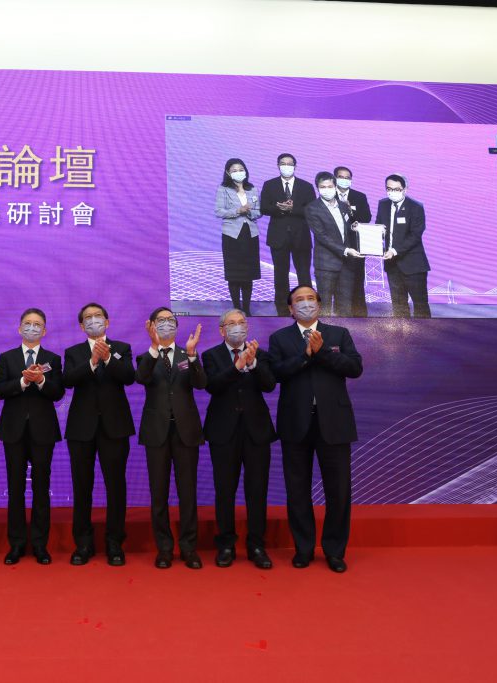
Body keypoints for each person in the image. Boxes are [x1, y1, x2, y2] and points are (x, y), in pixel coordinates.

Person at [267, 286, 362, 573]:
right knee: (297, 490)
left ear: (319, 305)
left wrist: (322, 353)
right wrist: (307, 355)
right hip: (295, 424)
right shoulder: (280, 338)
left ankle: (334, 550)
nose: (306, 304)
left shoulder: (338, 334)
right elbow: (276, 374)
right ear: (290, 309)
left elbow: (354, 367)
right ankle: (304, 548)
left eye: (311, 299)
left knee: (339, 491)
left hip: (334, 424)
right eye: (299, 300)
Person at [201, 309, 277, 569]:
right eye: (230, 324)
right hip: (223, 431)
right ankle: (225, 544)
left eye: (240, 323)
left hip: (256, 430)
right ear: (222, 330)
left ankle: (256, 545)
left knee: (257, 490)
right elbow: (212, 385)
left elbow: (269, 385)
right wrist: (236, 367)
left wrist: (253, 364)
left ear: (247, 327)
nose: (236, 327)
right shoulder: (211, 355)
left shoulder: (261, 353)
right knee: (225, 490)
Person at [63, 302, 136, 566]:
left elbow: (129, 376)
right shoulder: (73, 352)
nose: (94, 321)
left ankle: (115, 543)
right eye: (88, 318)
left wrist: (106, 358)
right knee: (82, 487)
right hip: (81, 429)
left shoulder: (122, 349)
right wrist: (92, 362)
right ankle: (83, 544)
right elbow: (68, 380)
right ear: (82, 326)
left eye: (98, 317)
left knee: (116, 487)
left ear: (107, 321)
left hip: (115, 428)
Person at [136, 308, 206, 569]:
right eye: (160, 321)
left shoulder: (187, 353)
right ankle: (164, 548)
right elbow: (141, 378)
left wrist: (192, 355)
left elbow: (201, 383)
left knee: (188, 493)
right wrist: (154, 347)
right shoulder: (146, 356)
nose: (166, 324)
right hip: (156, 432)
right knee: (159, 494)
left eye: (170, 321)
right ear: (152, 325)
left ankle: (189, 548)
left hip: (186, 431)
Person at [0, 308, 65, 565]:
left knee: (40, 488)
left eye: (37, 325)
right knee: (15, 488)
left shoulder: (53, 359)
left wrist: (41, 381)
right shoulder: (7, 357)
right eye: (28, 324)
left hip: (43, 430)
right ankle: (16, 544)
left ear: (44, 331)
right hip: (13, 430)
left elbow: (58, 392)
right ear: (19, 328)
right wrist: (23, 382)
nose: (32, 328)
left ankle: (39, 545)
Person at [260, 153, 316, 316]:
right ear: (278, 166)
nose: (286, 166)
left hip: (301, 237)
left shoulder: (306, 186)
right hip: (278, 237)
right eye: (283, 163)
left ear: (295, 166)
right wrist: (279, 208)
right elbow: (264, 207)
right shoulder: (269, 185)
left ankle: (307, 306)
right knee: (280, 273)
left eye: (289, 164)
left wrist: (292, 208)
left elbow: (311, 210)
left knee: (304, 273)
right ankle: (282, 309)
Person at [305, 171, 362, 317]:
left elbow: (344, 229)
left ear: (335, 187)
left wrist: (353, 227)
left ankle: (343, 335)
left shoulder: (343, 206)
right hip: (326, 264)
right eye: (322, 187)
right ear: (317, 188)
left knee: (345, 306)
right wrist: (345, 250)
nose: (326, 190)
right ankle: (323, 337)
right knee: (324, 306)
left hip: (346, 264)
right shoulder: (312, 208)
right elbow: (322, 236)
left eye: (329, 186)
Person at [377, 174, 431, 318]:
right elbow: (379, 227)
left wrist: (394, 251)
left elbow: (415, 235)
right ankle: (403, 338)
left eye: (396, 189)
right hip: (392, 264)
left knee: (420, 304)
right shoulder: (383, 204)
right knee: (398, 305)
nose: (392, 192)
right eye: (389, 189)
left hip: (413, 265)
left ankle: (425, 337)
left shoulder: (416, 207)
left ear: (405, 189)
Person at [215, 158, 262, 315]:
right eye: (234, 170)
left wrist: (248, 211)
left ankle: (247, 308)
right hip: (231, 236)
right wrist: (238, 211)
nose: (238, 172)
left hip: (250, 234)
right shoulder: (223, 189)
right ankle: (236, 307)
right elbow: (219, 211)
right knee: (234, 273)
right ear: (228, 172)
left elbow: (258, 212)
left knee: (248, 273)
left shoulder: (252, 189)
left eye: (240, 169)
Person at [334, 166, 371, 316]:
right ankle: (340, 316)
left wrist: (351, 212)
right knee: (338, 283)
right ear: (335, 178)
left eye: (347, 177)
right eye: (341, 177)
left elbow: (367, 218)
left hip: (356, 245)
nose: (344, 180)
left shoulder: (359, 196)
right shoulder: (329, 196)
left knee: (357, 281)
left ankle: (360, 316)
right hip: (336, 246)